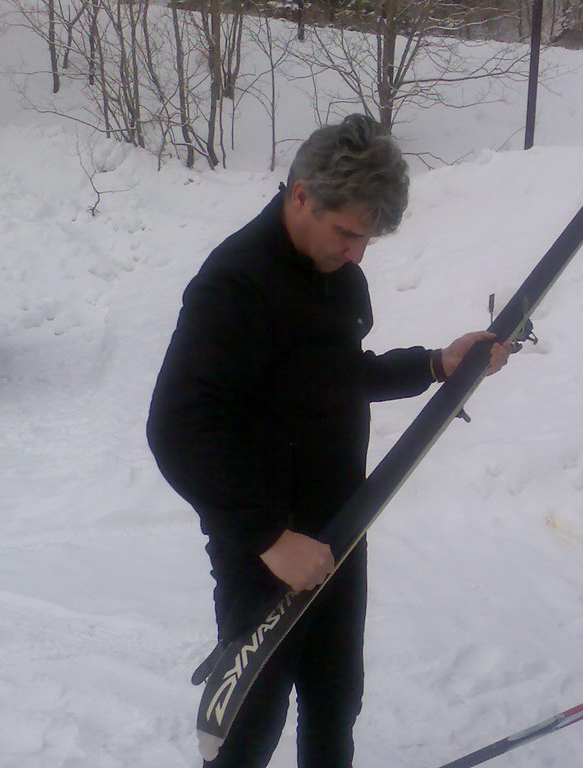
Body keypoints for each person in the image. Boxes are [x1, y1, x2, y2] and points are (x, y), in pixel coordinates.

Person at [146, 114, 509, 768]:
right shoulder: (235, 285)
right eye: (347, 233)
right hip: (268, 543)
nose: (357, 253)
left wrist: (435, 365)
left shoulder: (337, 275)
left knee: (335, 702)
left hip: (340, 525)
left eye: (367, 239)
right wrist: (267, 538)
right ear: (300, 195)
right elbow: (177, 425)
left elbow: (336, 374)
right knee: (250, 723)